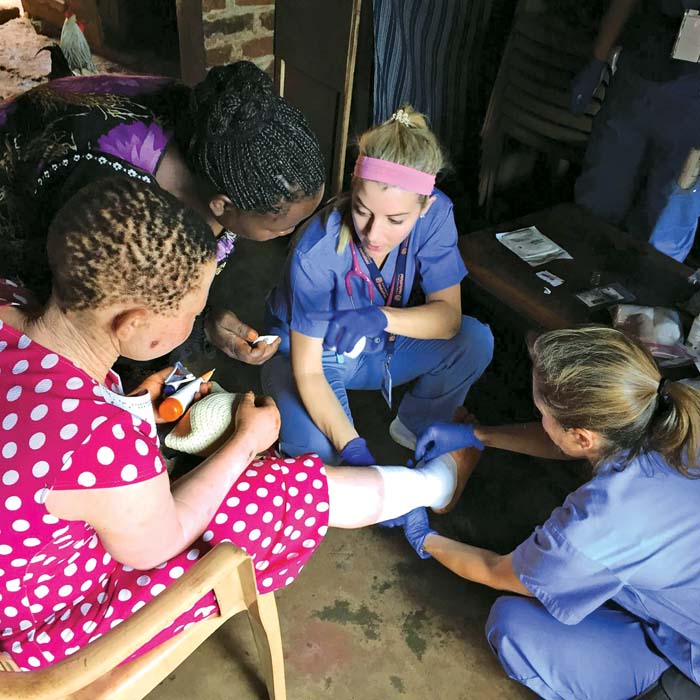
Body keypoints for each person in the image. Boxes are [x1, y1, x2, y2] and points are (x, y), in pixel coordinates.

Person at [0, 176, 475, 672]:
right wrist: (246, 443)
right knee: (271, 491)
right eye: (192, 312)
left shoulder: (8, 304)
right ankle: (431, 484)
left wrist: (136, 404)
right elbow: (158, 545)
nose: (195, 322)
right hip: (41, 622)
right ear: (132, 324)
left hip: (21, 552)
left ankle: (422, 486)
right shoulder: (100, 441)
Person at [390, 326, 700, 699]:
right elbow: (577, 443)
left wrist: (426, 538)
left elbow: (497, 571)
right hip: (679, 583)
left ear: (583, 435)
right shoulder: (657, 411)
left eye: (541, 414)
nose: (539, 420)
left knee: (512, 625)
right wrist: (478, 435)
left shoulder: (595, 525)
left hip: (688, 651)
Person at [0, 60, 325, 364]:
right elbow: (92, 318)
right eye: (279, 227)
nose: (290, 231)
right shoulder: (121, 208)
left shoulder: (219, 136)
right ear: (221, 205)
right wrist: (192, 333)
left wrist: (204, 322)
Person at [261, 106, 494, 465]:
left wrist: (381, 318)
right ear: (353, 189)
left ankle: (416, 426)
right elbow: (308, 371)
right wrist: (354, 449)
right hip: (313, 356)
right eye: (362, 210)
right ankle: (296, 434)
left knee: (474, 341)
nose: (373, 233)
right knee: (322, 457)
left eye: (396, 220)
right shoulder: (317, 250)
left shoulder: (437, 215)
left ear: (425, 207)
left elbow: (448, 320)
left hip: (379, 345)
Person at [571, 0, 700, 262]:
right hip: (636, 79)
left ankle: (646, 296)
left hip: (692, 102)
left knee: (665, 225)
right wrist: (597, 61)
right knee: (598, 200)